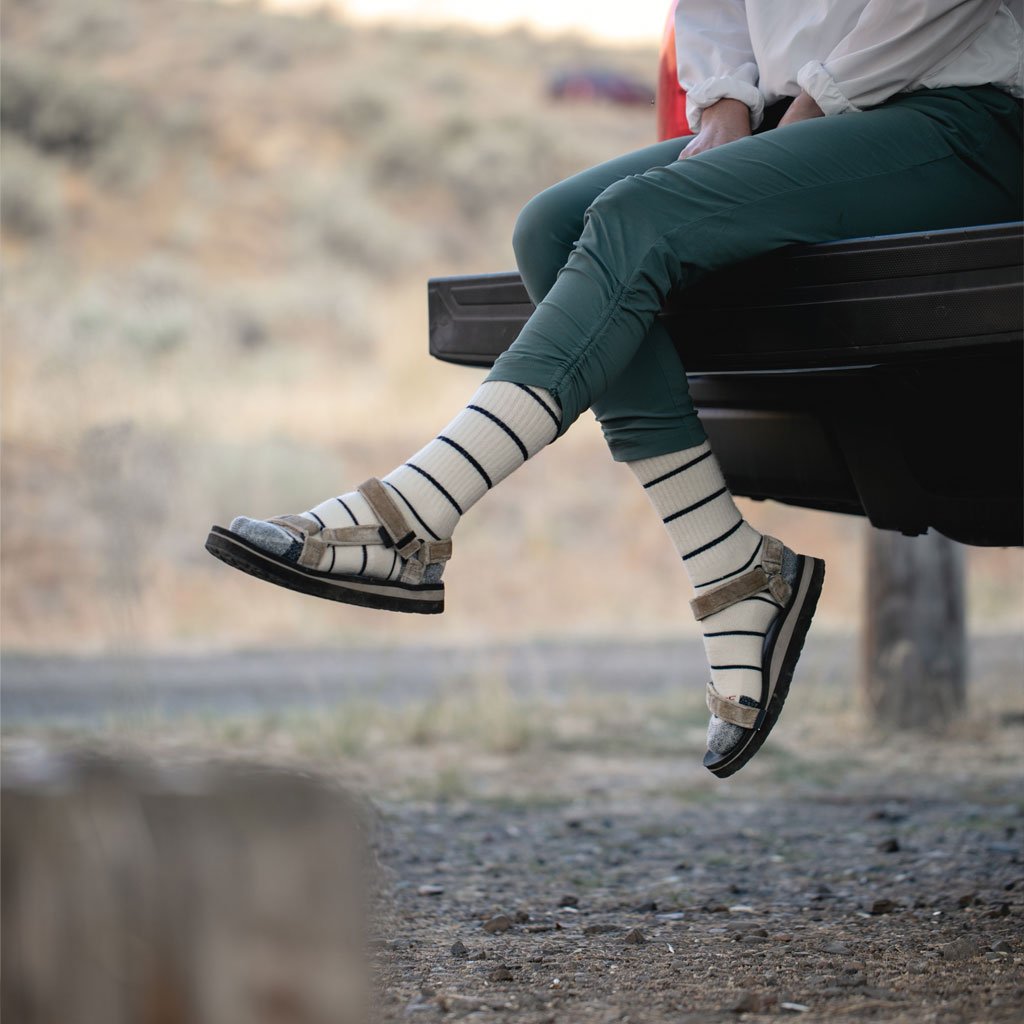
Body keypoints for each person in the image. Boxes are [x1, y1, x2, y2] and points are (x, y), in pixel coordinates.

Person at [207, 0, 1024, 778]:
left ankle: (418, 513)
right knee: (552, 226)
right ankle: (734, 571)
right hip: (798, 118)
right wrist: (724, 108)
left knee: (642, 217)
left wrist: (808, 111)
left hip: (959, 114)